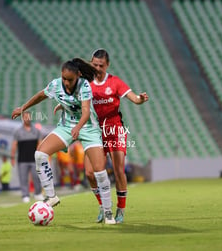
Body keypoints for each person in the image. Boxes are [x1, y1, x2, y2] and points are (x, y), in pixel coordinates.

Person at [12, 58, 116, 224]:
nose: (66, 83)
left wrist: (78, 127)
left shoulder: (84, 86)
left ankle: (108, 211)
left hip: (88, 128)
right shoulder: (55, 85)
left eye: (70, 80)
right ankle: (51, 196)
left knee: (99, 171)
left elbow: (86, 112)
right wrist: (23, 108)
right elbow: (40, 95)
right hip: (67, 127)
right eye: (64, 79)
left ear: (78, 76)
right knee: (39, 154)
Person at [87, 49, 149, 224]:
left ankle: (120, 209)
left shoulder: (115, 82)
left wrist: (140, 99)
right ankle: (103, 206)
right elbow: (77, 100)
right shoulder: (86, 84)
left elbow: (134, 98)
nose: (97, 68)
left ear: (107, 65)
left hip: (114, 130)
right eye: (95, 64)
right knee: (90, 173)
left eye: (101, 65)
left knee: (118, 170)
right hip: (94, 131)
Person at [11, 111, 43, 203]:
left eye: (28, 117)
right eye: (25, 117)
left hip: (34, 159)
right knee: (23, 178)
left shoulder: (36, 131)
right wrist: (12, 157)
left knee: (36, 177)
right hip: (22, 160)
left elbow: (40, 144)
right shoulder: (18, 131)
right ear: (22, 118)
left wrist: (40, 156)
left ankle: (38, 193)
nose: (27, 118)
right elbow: (14, 145)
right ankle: (25, 195)